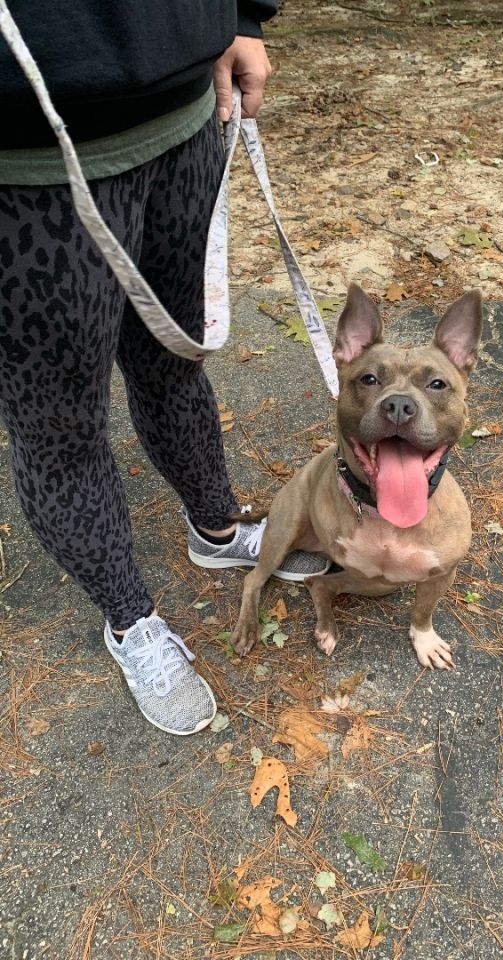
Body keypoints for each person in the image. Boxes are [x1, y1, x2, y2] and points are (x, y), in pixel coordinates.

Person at [0, 1, 329, 736]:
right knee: (59, 428)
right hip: (24, 170)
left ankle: (214, 531)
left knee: (176, 360)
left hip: (185, 117)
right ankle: (129, 621)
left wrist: (243, 13)